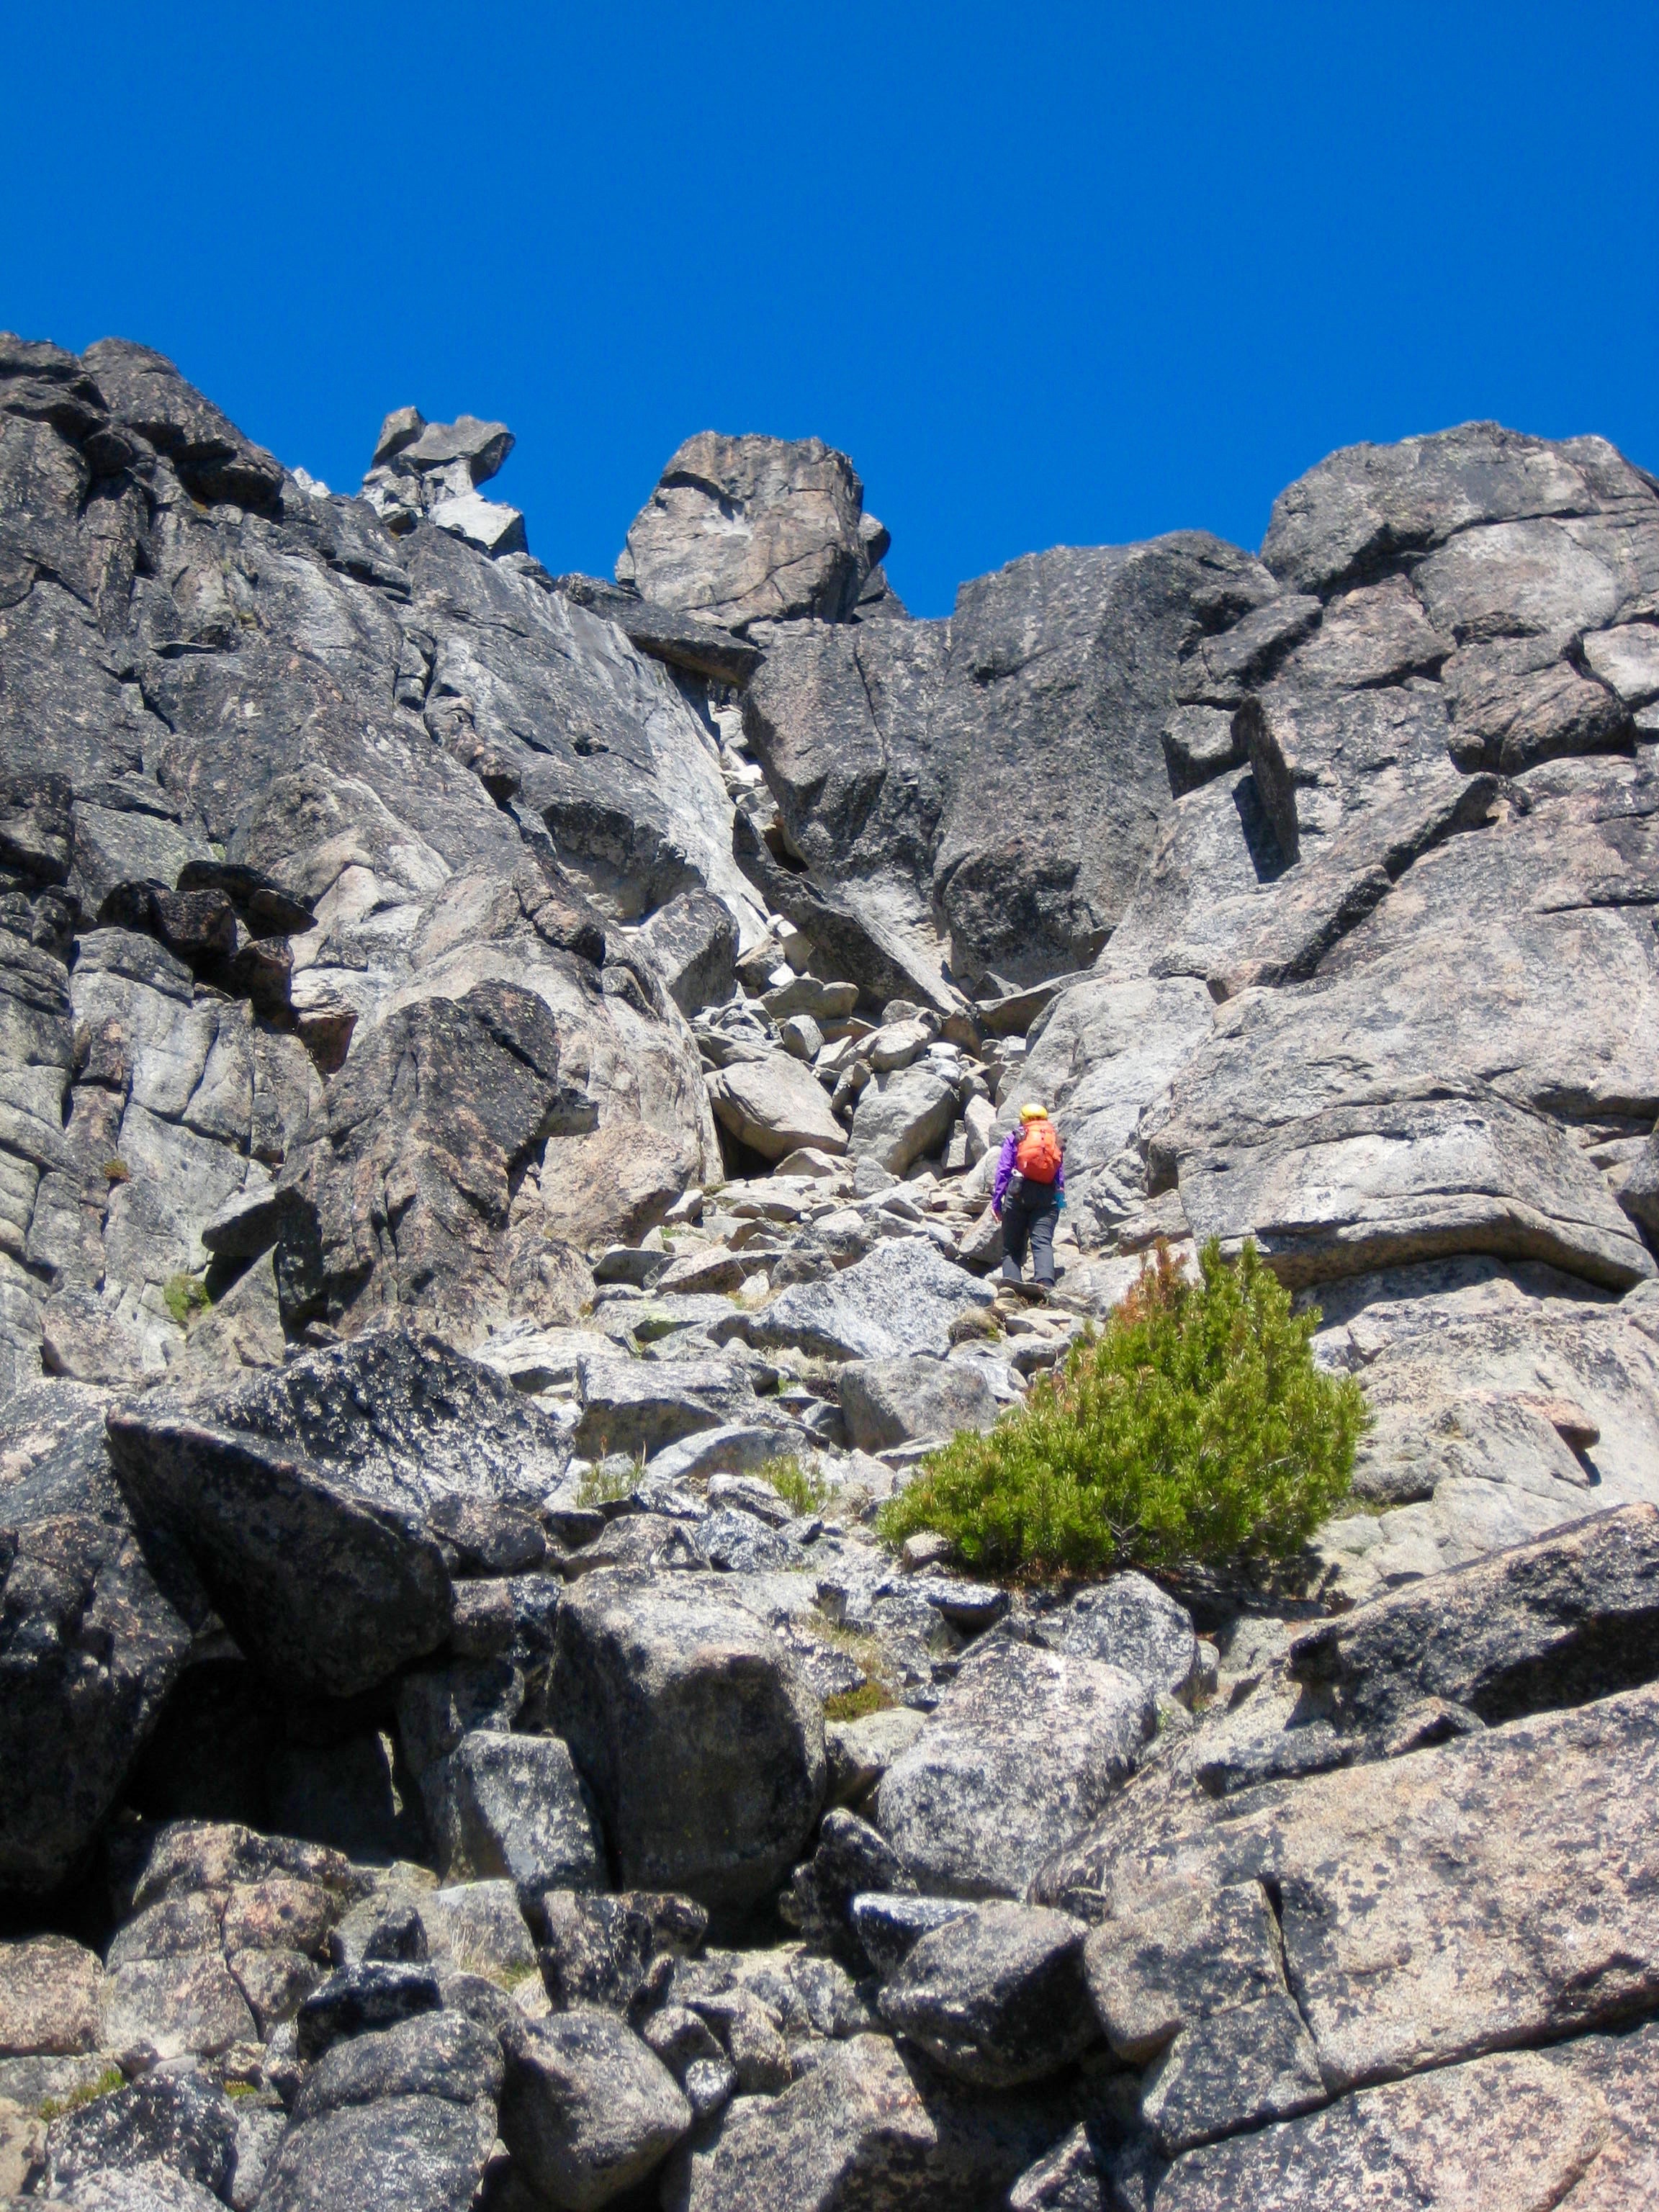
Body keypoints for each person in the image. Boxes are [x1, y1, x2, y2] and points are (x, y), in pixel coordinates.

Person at [992, 1102, 1065, 1296]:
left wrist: (997, 1201)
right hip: (1047, 1197)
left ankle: (1011, 1292)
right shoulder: (1051, 1140)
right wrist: (1060, 1201)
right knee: (1042, 1242)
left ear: (1023, 1119)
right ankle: (1046, 1286)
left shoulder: (1016, 1137)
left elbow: (1003, 1170)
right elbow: (1059, 1175)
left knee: (1011, 1248)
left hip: (1017, 1193)